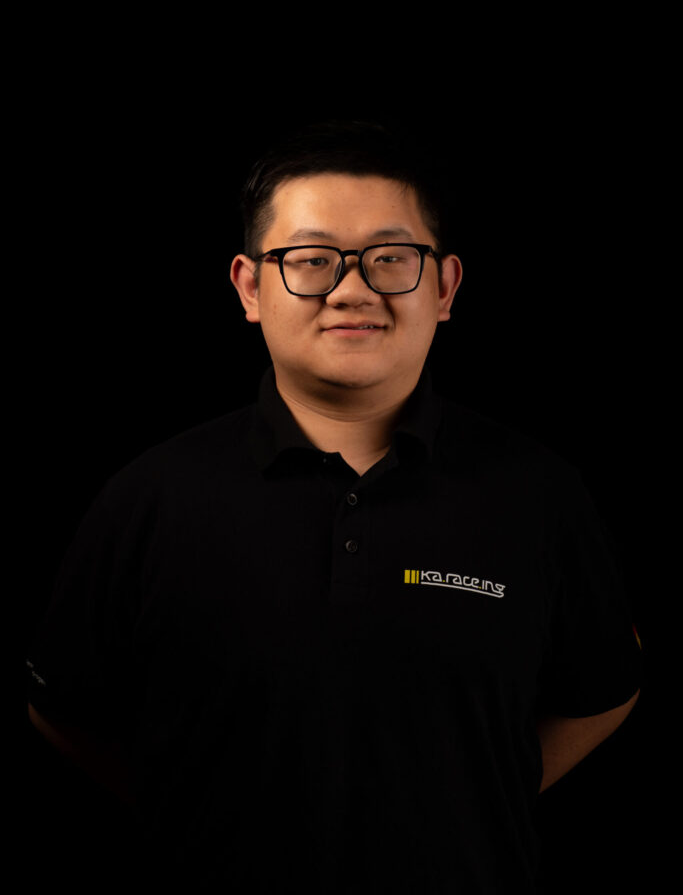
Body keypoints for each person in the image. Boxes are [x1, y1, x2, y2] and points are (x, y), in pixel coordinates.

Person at [26, 119, 642, 893]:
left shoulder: (539, 494)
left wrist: (481, 802)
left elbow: (603, 690)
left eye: (390, 258)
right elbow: (63, 709)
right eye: (311, 260)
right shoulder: (148, 497)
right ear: (250, 288)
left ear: (444, 288)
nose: (352, 289)